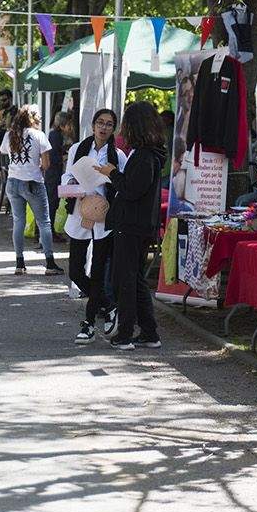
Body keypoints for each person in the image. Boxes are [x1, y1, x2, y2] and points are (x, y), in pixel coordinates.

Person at [95, 101, 165, 350]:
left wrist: (112, 173)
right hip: (139, 223)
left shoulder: (145, 156)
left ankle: (125, 334)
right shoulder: (149, 154)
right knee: (134, 280)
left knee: (125, 280)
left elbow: (132, 189)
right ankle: (149, 332)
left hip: (132, 224)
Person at [65, 108, 124, 344]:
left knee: (98, 271)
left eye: (109, 124)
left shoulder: (117, 155)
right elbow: (67, 175)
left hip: (104, 217)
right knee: (76, 270)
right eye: (100, 122)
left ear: (113, 129)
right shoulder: (77, 149)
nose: (104, 127)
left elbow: (122, 184)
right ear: (92, 125)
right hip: (80, 211)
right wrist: (71, 184)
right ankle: (108, 306)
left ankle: (88, 323)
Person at [4, 107, 62, 276]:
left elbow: (4, 152)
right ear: (32, 118)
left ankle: (19, 263)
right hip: (33, 182)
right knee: (44, 222)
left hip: (12, 182)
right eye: (39, 116)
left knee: (18, 222)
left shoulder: (9, 135)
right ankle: (50, 263)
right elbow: (46, 165)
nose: (41, 119)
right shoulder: (39, 135)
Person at [45, 110, 76, 236]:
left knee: (53, 203)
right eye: (69, 124)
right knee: (52, 203)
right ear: (63, 124)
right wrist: (65, 157)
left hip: (53, 173)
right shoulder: (56, 136)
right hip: (53, 174)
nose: (70, 127)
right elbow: (53, 156)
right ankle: (48, 232)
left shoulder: (55, 135)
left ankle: (47, 231)